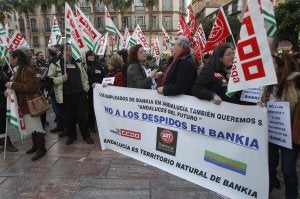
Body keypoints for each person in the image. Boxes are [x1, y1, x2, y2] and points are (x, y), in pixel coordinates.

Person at [260, 53, 300, 199]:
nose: (269, 67)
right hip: (272, 132)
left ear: (282, 65)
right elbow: (264, 102)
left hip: (290, 134)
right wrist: (261, 105)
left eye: (273, 64)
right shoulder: (268, 83)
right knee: (270, 165)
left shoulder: (295, 82)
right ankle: (267, 192)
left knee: (288, 170)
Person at [5, 49, 46, 161]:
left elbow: (31, 88)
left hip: (31, 103)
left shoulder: (27, 70)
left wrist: (13, 84)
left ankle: (42, 149)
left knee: (37, 127)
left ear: (17, 58)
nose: (10, 60)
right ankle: (35, 146)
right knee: (31, 126)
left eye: (11, 58)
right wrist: (11, 87)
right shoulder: (20, 69)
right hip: (25, 103)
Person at [62, 43, 93, 145]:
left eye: (70, 50)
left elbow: (85, 77)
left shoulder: (78, 63)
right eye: (66, 50)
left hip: (80, 94)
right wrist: (60, 79)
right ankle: (72, 136)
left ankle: (86, 136)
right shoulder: (57, 64)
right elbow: (50, 78)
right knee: (69, 117)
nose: (68, 52)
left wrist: (86, 88)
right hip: (66, 95)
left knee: (83, 117)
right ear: (62, 52)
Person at [85, 50, 106, 133]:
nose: (92, 57)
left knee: (99, 109)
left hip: (98, 91)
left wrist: (100, 84)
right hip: (89, 91)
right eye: (90, 55)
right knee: (90, 109)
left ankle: (100, 124)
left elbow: (103, 76)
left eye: (93, 55)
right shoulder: (85, 66)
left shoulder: (99, 65)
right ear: (86, 57)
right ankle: (91, 125)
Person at [47, 48, 66, 135]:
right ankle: (60, 126)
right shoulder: (52, 62)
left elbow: (51, 80)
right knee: (56, 110)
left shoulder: (56, 62)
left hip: (58, 90)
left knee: (61, 111)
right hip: (53, 91)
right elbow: (50, 79)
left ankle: (65, 128)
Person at [0, 65, 18, 152]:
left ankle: (3, 142)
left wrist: (11, 79)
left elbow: (4, 82)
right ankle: (5, 143)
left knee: (2, 122)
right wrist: (2, 92)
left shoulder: (1, 69)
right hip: (1, 100)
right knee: (2, 123)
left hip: (3, 101)